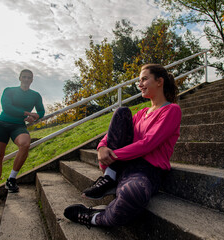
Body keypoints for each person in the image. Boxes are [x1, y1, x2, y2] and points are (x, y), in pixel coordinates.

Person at [64, 64, 182, 228]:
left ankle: (93, 217)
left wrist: (112, 156)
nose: (140, 84)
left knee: (134, 194)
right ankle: (110, 177)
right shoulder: (141, 113)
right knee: (121, 112)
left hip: (147, 171)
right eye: (139, 80)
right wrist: (102, 147)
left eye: (144, 79)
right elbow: (116, 132)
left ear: (159, 81)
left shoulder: (171, 110)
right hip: (124, 165)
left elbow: (148, 144)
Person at [0, 69, 45, 211]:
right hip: (2, 124)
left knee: (25, 143)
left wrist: (35, 116)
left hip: (18, 126)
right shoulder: (9, 90)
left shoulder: (35, 95)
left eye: (29, 77)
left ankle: (11, 179)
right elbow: (7, 107)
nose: (27, 79)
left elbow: (41, 111)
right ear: (20, 78)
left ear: (32, 80)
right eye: (24, 77)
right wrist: (26, 113)